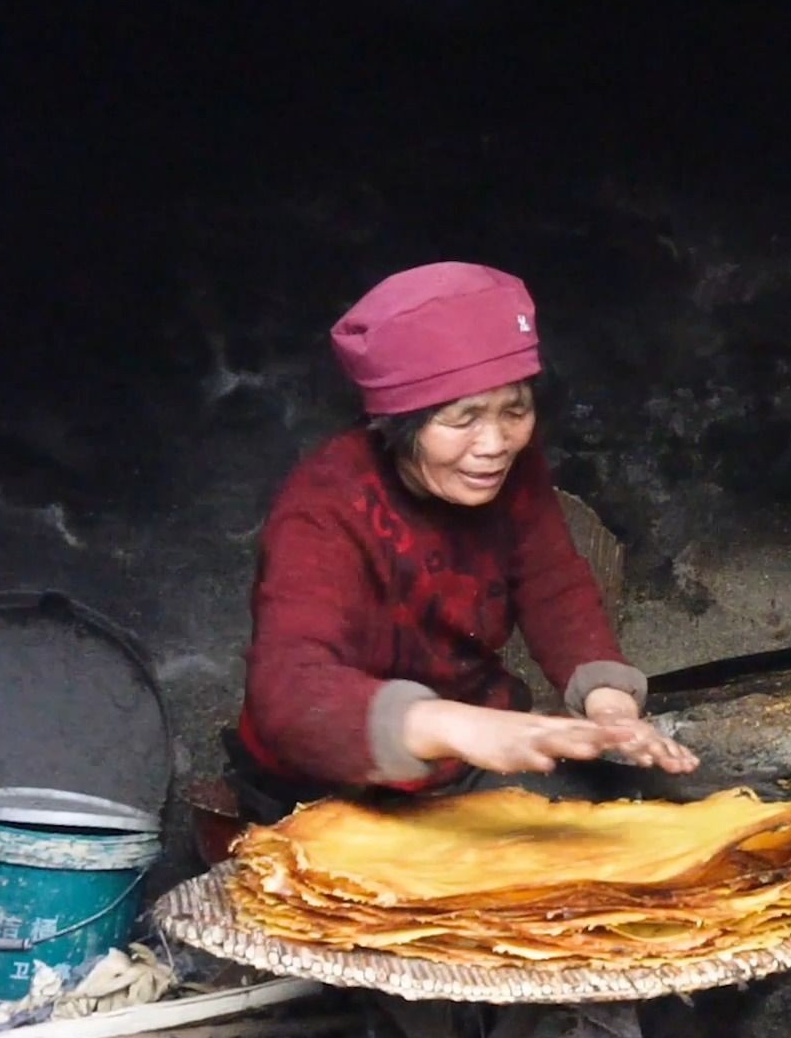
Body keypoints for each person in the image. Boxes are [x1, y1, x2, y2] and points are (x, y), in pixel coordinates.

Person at [223, 262, 696, 822]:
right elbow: (290, 695)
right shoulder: (324, 507)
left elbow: (553, 586)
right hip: (324, 782)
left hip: (465, 763)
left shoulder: (510, 472)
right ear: (398, 423)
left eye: (514, 411)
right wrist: (457, 725)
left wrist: (609, 704)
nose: (494, 444)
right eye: (461, 420)